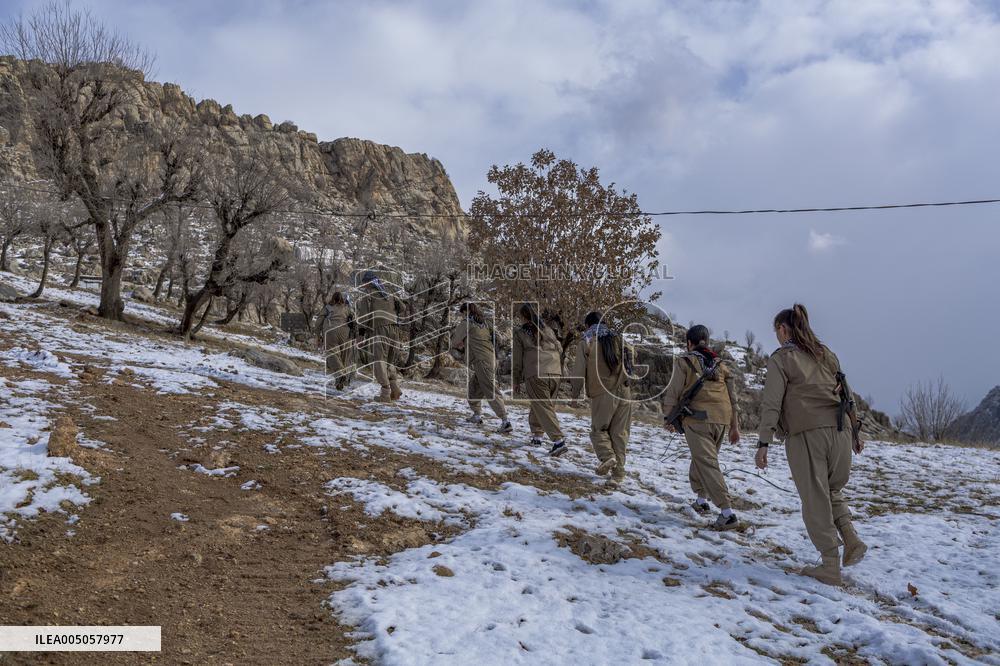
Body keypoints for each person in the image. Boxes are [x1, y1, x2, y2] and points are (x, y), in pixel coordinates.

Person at [756, 304, 867, 586]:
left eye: (776, 332)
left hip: (807, 434)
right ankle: (851, 540)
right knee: (831, 490)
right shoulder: (825, 353)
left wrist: (764, 441)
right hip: (840, 431)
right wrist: (856, 431)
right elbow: (847, 392)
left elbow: (772, 401)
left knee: (815, 498)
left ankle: (830, 565)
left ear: (782, 330)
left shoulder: (782, 358)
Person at [662, 324, 742, 530]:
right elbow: (733, 399)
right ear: (706, 340)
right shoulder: (722, 365)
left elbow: (673, 392)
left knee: (706, 462)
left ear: (689, 343)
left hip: (698, 419)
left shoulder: (685, 361)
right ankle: (701, 500)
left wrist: (668, 418)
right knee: (703, 459)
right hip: (722, 419)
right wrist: (735, 426)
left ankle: (727, 513)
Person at [570, 311, 634, 487]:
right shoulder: (619, 338)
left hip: (603, 391)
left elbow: (578, 372)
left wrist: (575, 396)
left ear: (588, 325)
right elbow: (631, 357)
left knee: (599, 430)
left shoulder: (587, 340)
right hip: (625, 391)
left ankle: (608, 457)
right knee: (619, 433)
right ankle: (618, 475)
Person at [513, 303, 567, 456]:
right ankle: (537, 436)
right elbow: (560, 348)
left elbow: (516, 359)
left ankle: (558, 441)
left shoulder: (520, 333)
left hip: (536, 372)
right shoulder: (548, 329)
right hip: (555, 372)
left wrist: (516, 379)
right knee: (541, 405)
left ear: (523, 317)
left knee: (543, 407)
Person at [450, 302, 512, 433]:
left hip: (482, 361)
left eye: (462, 313)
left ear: (466, 312)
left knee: (491, 390)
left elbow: (455, 341)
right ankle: (477, 415)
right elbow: (496, 339)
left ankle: (505, 421)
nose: (462, 316)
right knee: (474, 387)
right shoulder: (485, 323)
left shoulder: (467, 323)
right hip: (490, 359)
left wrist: (460, 344)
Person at [356, 271, 403, 402]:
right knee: (390, 361)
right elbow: (403, 307)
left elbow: (364, 317)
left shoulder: (368, 296)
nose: (363, 286)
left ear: (368, 282)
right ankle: (395, 389)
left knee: (379, 360)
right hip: (394, 329)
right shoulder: (390, 292)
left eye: (364, 283)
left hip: (380, 330)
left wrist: (361, 335)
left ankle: (385, 394)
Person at [322, 291, 355, 391]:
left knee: (332, 353)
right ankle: (340, 382)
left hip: (331, 332)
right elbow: (355, 320)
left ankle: (340, 375)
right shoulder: (348, 308)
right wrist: (357, 335)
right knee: (344, 357)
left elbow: (319, 321)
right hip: (346, 333)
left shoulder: (327, 307)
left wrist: (317, 334)